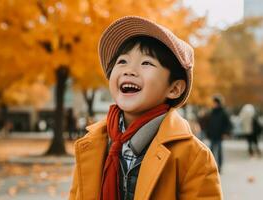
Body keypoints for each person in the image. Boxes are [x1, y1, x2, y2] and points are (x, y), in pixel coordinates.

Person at [69, 16, 222, 200]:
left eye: (146, 63)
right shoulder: (92, 144)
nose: (129, 70)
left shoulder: (193, 156)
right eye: (122, 61)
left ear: (173, 89)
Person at [206, 95, 232, 173]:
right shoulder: (211, 112)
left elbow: (228, 124)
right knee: (211, 152)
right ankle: (211, 166)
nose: (213, 104)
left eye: (215, 103)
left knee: (219, 151)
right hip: (212, 135)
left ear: (218, 103)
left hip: (219, 135)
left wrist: (225, 133)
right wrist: (208, 133)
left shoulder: (223, 113)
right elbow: (209, 124)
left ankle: (219, 167)